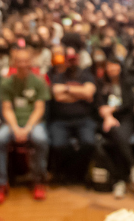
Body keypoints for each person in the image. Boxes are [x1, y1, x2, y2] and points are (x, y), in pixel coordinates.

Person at [0, 47, 50, 204]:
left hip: (34, 123)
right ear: (14, 62)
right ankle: (1, 183)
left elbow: (39, 109)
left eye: (26, 60)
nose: (23, 64)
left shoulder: (39, 82)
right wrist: (16, 128)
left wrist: (27, 128)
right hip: (12, 123)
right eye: (19, 60)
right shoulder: (7, 83)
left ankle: (38, 181)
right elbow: (7, 109)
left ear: (31, 62)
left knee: (40, 139)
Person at [47, 50, 97, 183]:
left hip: (84, 119)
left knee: (89, 143)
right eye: (69, 59)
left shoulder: (86, 75)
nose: (72, 62)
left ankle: (79, 173)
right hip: (61, 120)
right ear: (65, 60)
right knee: (58, 145)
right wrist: (80, 94)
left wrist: (67, 90)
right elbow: (57, 95)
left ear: (78, 59)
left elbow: (88, 93)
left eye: (74, 59)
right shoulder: (57, 76)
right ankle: (65, 173)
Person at [95, 57, 134, 198]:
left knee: (118, 140)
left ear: (120, 67)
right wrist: (108, 116)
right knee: (114, 133)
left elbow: (128, 104)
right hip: (106, 120)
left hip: (125, 119)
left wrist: (111, 111)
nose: (112, 69)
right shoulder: (101, 84)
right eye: (109, 66)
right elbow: (99, 104)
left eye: (114, 66)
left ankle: (119, 181)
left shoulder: (128, 83)